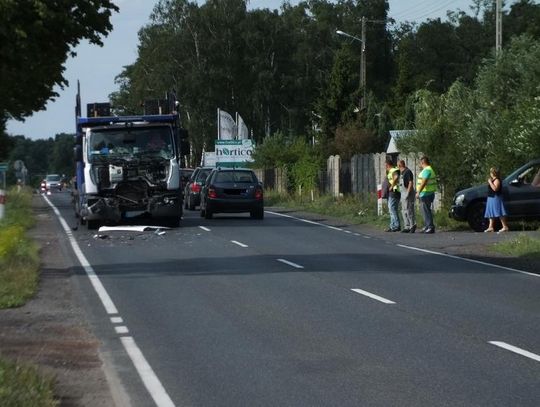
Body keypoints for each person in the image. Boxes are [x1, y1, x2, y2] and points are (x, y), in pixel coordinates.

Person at [416, 156, 437, 234]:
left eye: (420, 162)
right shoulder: (428, 169)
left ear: (422, 162)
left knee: (426, 210)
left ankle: (430, 227)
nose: (420, 164)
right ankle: (427, 226)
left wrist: (418, 192)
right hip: (427, 193)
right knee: (424, 210)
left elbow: (424, 182)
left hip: (426, 193)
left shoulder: (427, 170)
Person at [484, 167, 509, 233]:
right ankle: (490, 227)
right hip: (491, 198)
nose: (490, 173)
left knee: (499, 211)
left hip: (496, 197)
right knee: (491, 212)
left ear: (494, 173)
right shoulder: (493, 179)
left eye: (491, 172)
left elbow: (495, 189)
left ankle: (505, 226)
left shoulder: (497, 180)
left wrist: (490, 182)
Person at [398, 159, 416, 233]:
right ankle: (407, 226)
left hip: (407, 192)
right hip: (403, 193)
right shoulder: (402, 173)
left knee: (409, 210)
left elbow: (410, 183)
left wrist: (408, 193)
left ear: (399, 165)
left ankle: (412, 225)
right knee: (403, 211)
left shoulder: (407, 172)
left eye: (398, 165)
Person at [385, 157, 401, 232]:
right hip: (392, 192)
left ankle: (396, 225)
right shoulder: (391, 171)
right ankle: (392, 226)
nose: (385, 168)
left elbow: (396, 177)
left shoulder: (394, 170)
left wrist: (391, 186)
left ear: (388, 165)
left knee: (392, 209)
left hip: (394, 192)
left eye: (386, 166)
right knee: (391, 210)